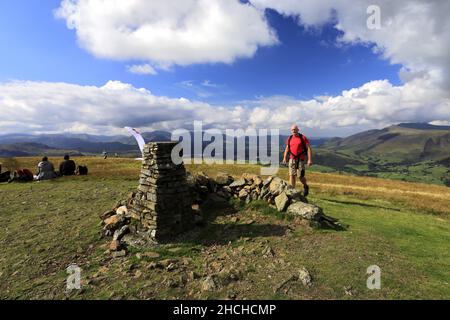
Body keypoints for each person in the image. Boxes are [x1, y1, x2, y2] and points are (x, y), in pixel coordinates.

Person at [282, 124, 313, 196]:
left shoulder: (303, 138)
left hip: (300, 159)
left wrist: (309, 159)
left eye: (295, 129)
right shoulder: (289, 138)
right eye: (292, 130)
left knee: (300, 176)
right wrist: (284, 158)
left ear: (298, 130)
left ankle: (305, 186)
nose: (294, 131)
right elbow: (287, 148)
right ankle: (292, 191)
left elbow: (308, 148)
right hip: (291, 159)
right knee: (292, 175)